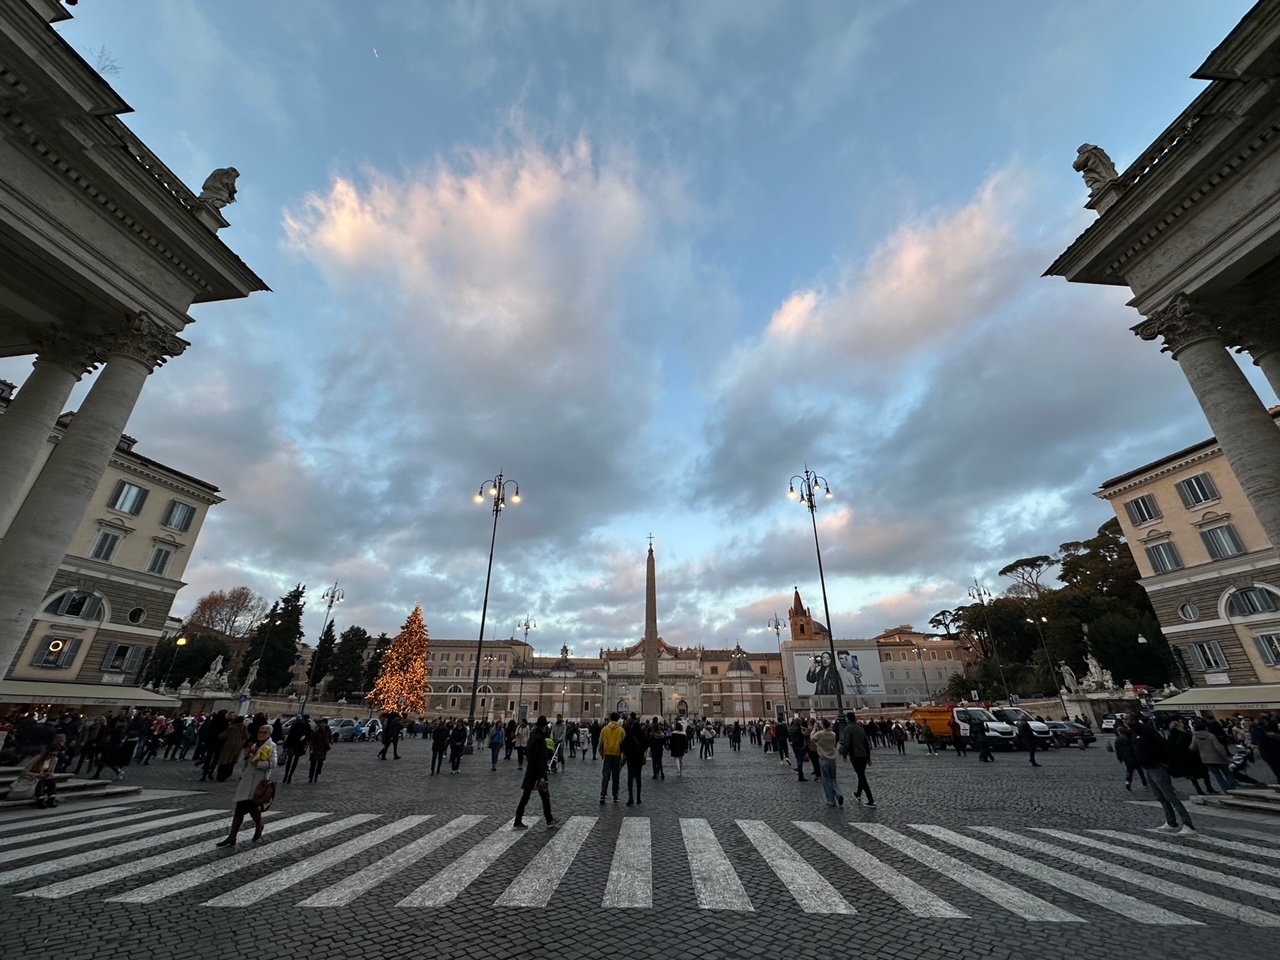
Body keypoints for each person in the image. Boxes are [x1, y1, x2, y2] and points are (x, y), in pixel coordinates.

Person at [216, 725, 275, 847]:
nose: (261, 734)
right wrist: (247, 756)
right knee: (245, 807)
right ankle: (236, 834)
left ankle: (251, 829)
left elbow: (273, 764)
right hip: (247, 781)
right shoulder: (254, 745)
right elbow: (245, 762)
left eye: (264, 732)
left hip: (257, 782)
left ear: (269, 734)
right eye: (260, 731)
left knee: (247, 807)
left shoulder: (271, 746)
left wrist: (257, 762)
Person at [1135, 719, 1195, 834]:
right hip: (1148, 768)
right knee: (1159, 797)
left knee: (1171, 797)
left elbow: (1164, 746)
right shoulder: (1135, 733)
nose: (1125, 721)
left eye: (1128, 719)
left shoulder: (1147, 732)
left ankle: (1188, 825)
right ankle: (1171, 822)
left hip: (1157, 768)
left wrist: (1163, 762)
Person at [512, 717, 557, 830]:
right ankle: (549, 820)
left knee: (528, 796)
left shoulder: (534, 735)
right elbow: (538, 758)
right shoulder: (538, 738)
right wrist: (542, 776)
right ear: (543, 726)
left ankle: (519, 820)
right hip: (537, 772)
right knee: (543, 796)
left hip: (532, 771)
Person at [1190, 718, 1236, 794]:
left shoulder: (1195, 737)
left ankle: (1226, 789)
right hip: (1217, 757)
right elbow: (1218, 747)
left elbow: (1192, 748)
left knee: (1217, 775)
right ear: (1205, 728)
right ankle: (1232, 787)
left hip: (1206, 759)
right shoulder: (1210, 736)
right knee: (1227, 773)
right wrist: (1225, 756)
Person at [839, 712, 874, 806]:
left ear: (847, 719)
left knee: (862, 777)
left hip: (855, 755)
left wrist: (844, 755)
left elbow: (846, 743)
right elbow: (866, 743)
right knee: (861, 774)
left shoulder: (848, 728)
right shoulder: (860, 728)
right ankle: (858, 793)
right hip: (863, 755)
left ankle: (870, 799)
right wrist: (868, 757)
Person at [24, 734, 66, 808]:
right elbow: (25, 771)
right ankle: (40, 799)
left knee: (51, 781)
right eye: (51, 755)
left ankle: (51, 798)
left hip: (44, 777)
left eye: (54, 755)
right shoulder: (38, 758)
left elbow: (52, 771)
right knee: (40, 781)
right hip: (33, 777)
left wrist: (49, 774)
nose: (52, 756)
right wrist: (36, 775)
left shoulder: (54, 759)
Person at [812, 719, 844, 807]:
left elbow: (812, 738)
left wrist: (814, 728)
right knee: (833, 778)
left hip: (823, 758)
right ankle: (838, 794)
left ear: (822, 725)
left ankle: (831, 800)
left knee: (826, 780)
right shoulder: (833, 734)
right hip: (832, 759)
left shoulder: (820, 734)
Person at [598, 712, 625, 804]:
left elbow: (600, 743)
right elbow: (623, 744)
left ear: (609, 719)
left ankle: (602, 795)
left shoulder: (604, 729)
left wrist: (602, 753)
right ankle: (615, 795)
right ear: (617, 719)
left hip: (607, 754)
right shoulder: (621, 730)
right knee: (616, 776)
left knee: (605, 775)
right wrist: (623, 755)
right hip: (617, 755)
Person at [1114, 718, 1146, 790]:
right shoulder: (1130, 737)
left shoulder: (1118, 740)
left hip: (1127, 758)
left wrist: (1119, 758)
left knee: (1129, 771)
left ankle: (1128, 783)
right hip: (1135, 757)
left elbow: (1117, 750)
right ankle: (1145, 783)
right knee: (1140, 771)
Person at [623, 718, 648, 806]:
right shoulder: (641, 734)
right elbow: (646, 744)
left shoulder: (629, 734)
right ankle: (638, 798)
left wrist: (626, 754)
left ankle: (630, 798)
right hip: (639, 758)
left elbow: (623, 745)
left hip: (630, 758)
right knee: (638, 777)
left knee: (630, 777)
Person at [217, 716, 247, 782]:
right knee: (232, 760)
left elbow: (223, 735)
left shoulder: (231, 727)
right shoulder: (243, 727)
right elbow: (246, 736)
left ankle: (220, 775)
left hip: (229, 744)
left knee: (225, 759)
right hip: (238, 745)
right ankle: (227, 774)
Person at [281, 717, 310, 784]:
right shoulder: (295, 725)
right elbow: (290, 735)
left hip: (300, 745)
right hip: (292, 743)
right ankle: (286, 775)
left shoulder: (307, 726)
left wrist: (305, 738)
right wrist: (286, 745)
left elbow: (309, 735)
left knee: (295, 761)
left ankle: (290, 776)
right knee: (289, 760)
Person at [307, 716, 332, 783]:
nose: (323, 725)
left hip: (323, 749)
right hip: (316, 749)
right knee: (313, 764)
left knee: (319, 764)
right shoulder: (317, 731)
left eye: (324, 723)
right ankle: (311, 777)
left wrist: (330, 743)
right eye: (322, 723)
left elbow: (330, 738)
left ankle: (316, 776)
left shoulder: (328, 731)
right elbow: (312, 741)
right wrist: (311, 749)